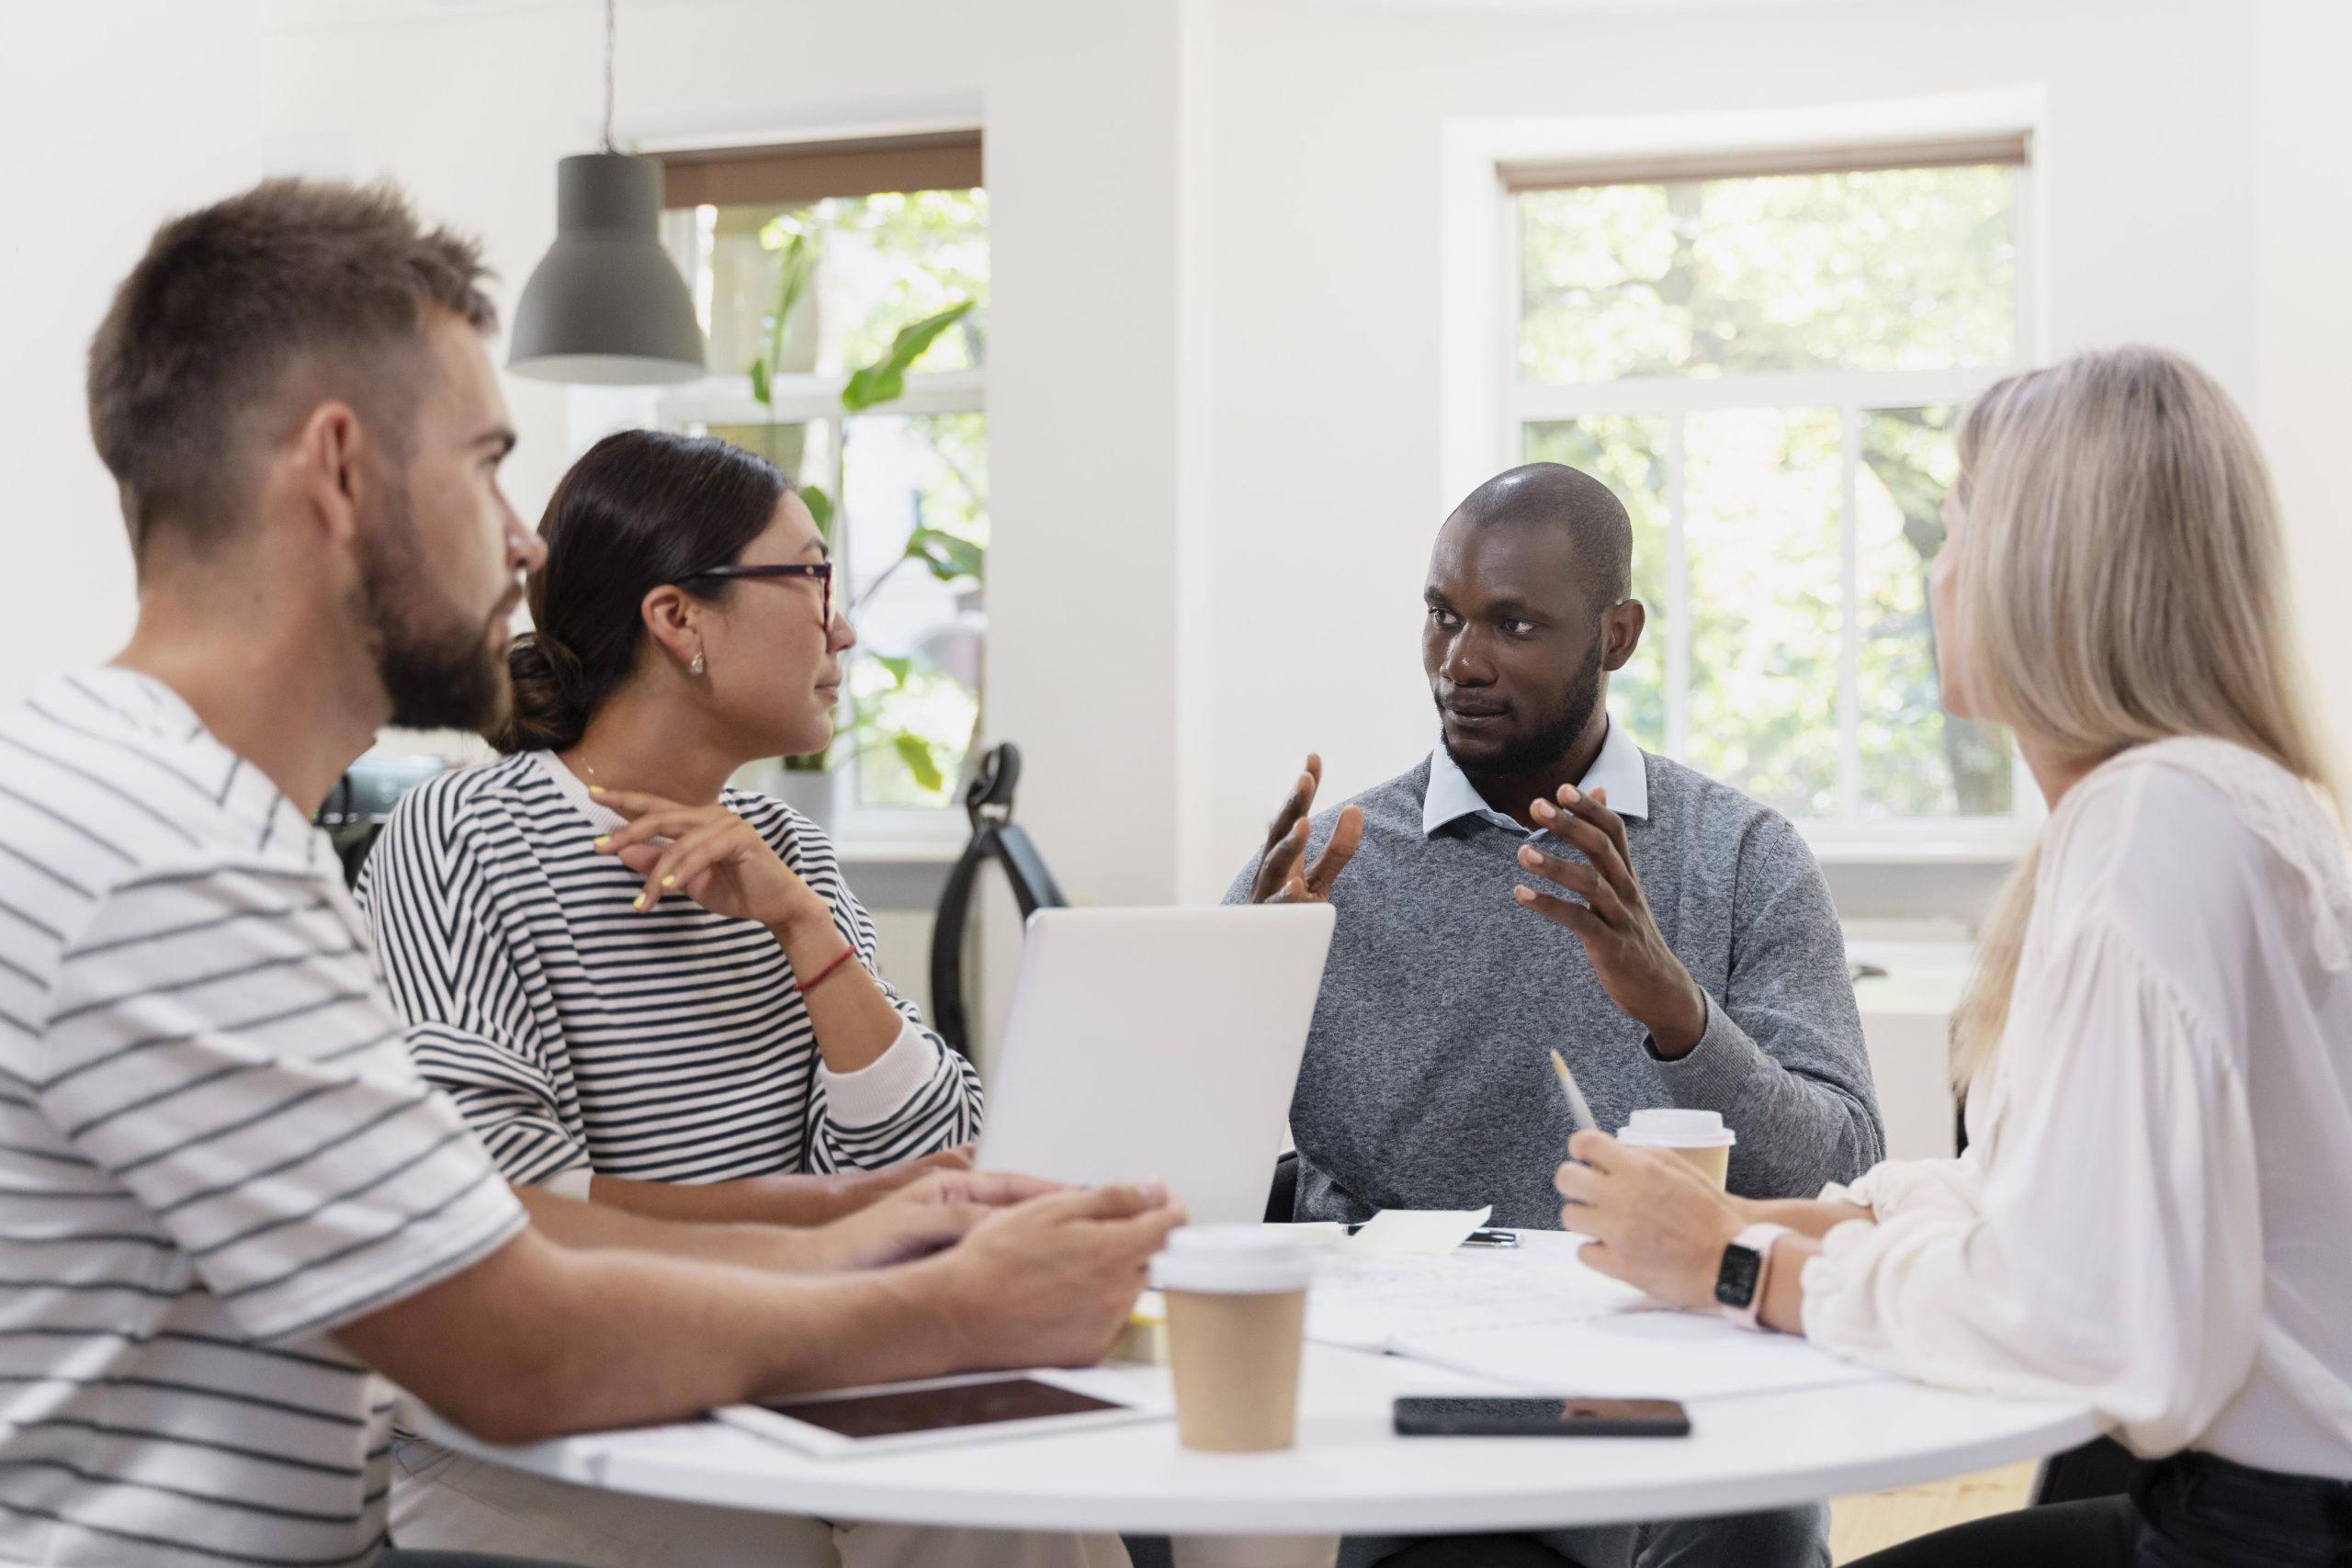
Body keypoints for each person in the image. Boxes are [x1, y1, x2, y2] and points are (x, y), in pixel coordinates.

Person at [0, 176, 1181, 1568]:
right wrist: (959, 1303)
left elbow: (487, 1231)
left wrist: (866, 1228)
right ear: (338, 468)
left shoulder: (160, 806)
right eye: (486, 461)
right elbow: (514, 1343)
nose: (526, 540)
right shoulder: (177, 860)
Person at [1555, 347, 2352, 1567]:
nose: (1935, 573)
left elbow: (2092, 1316)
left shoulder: (2154, 828)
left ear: (2047, 566)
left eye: (1956, 526)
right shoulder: (2219, 806)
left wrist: (1731, 1264)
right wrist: (1774, 1219)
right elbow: (2058, 1204)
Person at [1228, 463, 1884, 1568]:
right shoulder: (1326, 866)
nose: (1461, 661)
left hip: (1660, 1368)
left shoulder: (1740, 857)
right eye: (1442, 616)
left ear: (1616, 635)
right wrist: (1236, 996)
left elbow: (1835, 1172)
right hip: (1403, 1386)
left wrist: (1671, 1006)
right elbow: (1183, 1175)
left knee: (1756, 1533)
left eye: (1514, 625)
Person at [359, 428, 980, 1225]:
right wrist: (822, 1207)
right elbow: (495, 1194)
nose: (844, 630)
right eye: (813, 578)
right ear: (679, 618)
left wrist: (806, 930)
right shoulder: (463, 836)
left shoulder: (786, 856)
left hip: (813, 1326)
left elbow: (937, 1165)